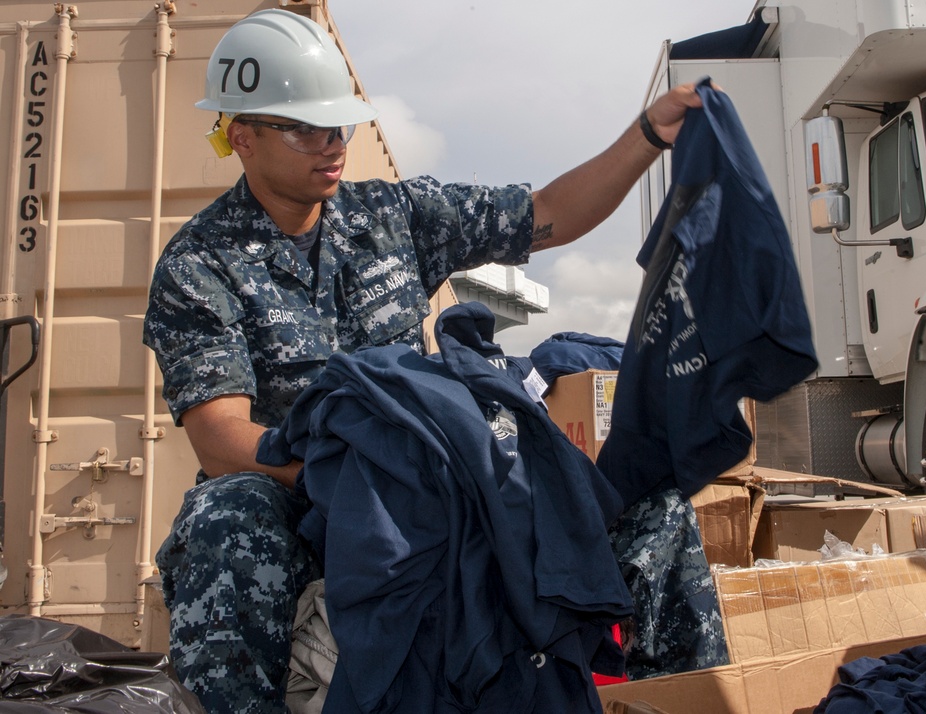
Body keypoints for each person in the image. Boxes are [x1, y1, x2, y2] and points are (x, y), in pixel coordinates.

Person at [143, 8, 703, 714]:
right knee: (226, 516)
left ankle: (681, 700)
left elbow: (549, 211)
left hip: (432, 488)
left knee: (650, 508)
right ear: (242, 137)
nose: (332, 144)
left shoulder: (397, 216)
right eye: (306, 128)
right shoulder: (200, 264)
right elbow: (222, 440)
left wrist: (648, 136)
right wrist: (359, 473)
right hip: (306, 497)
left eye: (338, 124)